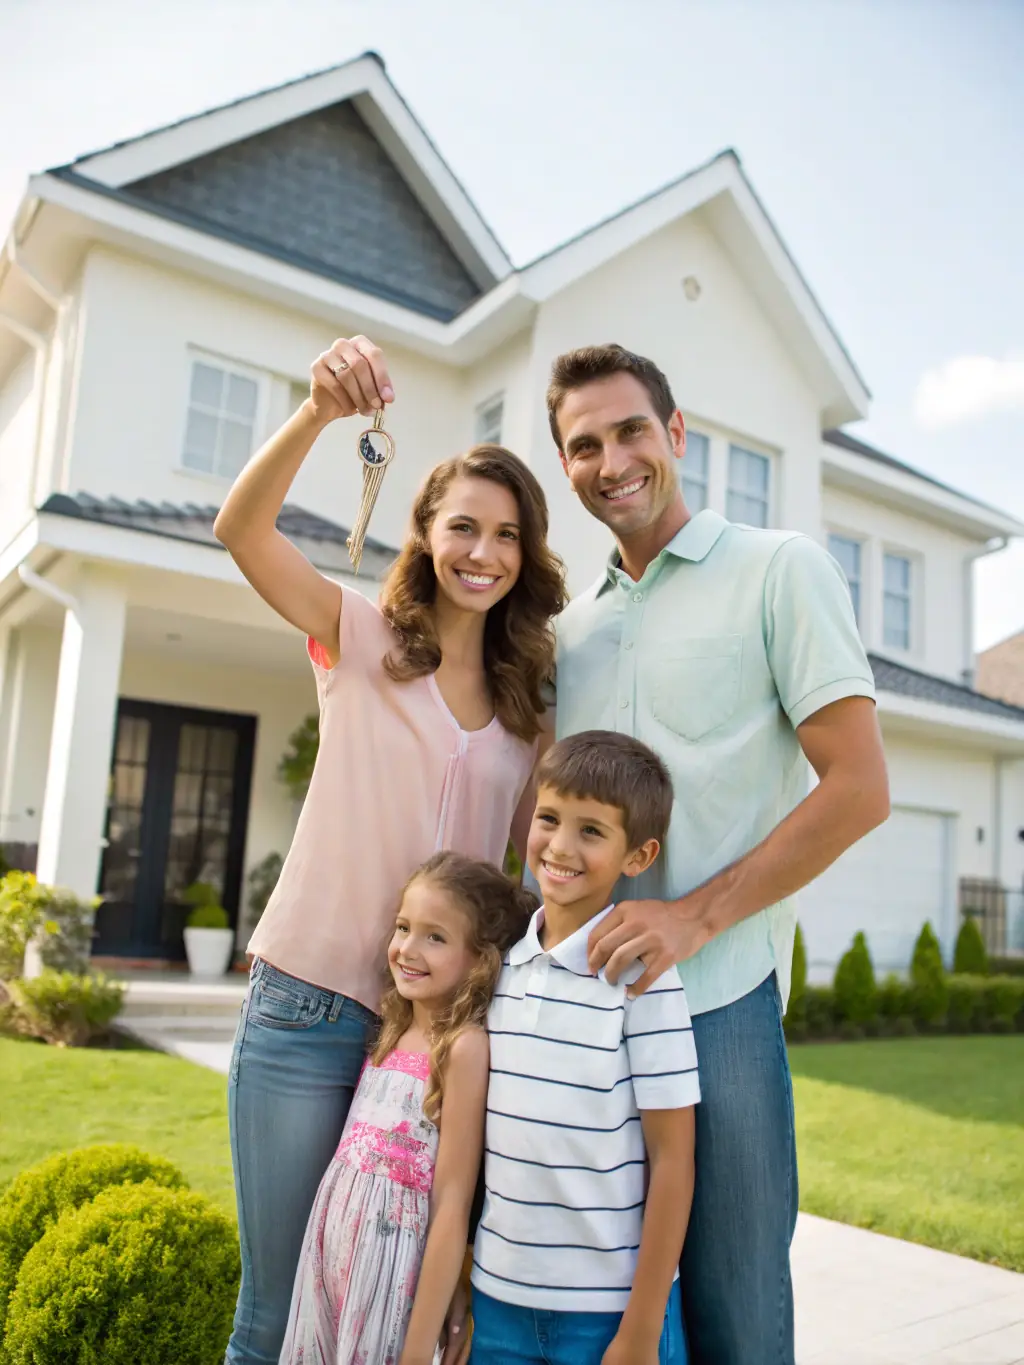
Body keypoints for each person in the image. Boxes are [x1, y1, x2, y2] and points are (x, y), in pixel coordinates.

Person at [213, 335, 566, 1365]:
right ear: (425, 533)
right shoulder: (358, 639)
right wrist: (319, 411)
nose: (482, 553)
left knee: (393, 1311)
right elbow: (241, 531)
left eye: (507, 535)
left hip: (433, 1045)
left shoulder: (524, 717)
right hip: (309, 1007)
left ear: (526, 555)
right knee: (275, 1316)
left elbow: (527, 884)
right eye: (463, 527)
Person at [545, 345, 890, 1365]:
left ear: (676, 433)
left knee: (739, 1317)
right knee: (597, 1310)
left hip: (721, 1008)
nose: (611, 460)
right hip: (582, 1015)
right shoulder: (571, 635)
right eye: (583, 444)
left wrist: (693, 917)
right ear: (565, 466)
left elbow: (862, 788)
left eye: (630, 431)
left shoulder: (779, 569)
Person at [471, 730, 700, 1365]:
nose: (561, 846)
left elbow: (673, 1160)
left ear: (639, 855)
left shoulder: (642, 982)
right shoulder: (501, 968)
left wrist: (642, 1329)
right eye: (549, 818)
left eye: (592, 831)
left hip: (607, 1315)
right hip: (496, 1302)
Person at [279, 851, 535, 1365]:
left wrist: (418, 1351)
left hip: (391, 1272)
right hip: (331, 1257)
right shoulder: (392, 1027)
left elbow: (452, 1204)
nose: (407, 949)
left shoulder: (462, 1048)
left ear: (480, 958)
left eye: (435, 937)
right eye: (403, 927)